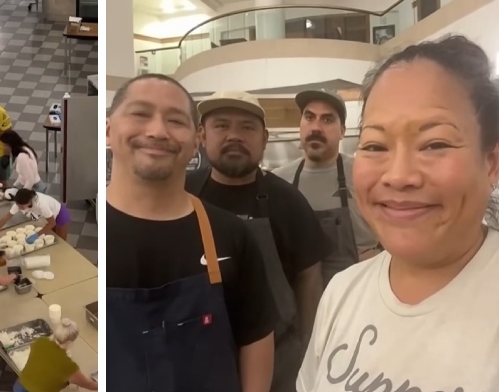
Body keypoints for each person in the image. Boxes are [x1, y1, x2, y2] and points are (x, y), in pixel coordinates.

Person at [297, 36, 499, 391]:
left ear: (492, 163)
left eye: (435, 144)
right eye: (375, 146)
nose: (399, 176)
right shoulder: (341, 293)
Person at [107, 73, 276, 392]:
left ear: (196, 139)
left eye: (175, 120)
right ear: (108, 129)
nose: (157, 131)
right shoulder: (89, 239)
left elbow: (255, 338)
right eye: (140, 114)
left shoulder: (230, 234)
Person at [185, 91, 332, 392]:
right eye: (221, 126)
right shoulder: (181, 193)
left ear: (264, 139)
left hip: (280, 360)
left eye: (247, 127)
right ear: (201, 135)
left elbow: (310, 281)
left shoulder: (288, 201)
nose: (234, 136)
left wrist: (311, 352)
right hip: (197, 355)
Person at [272, 89, 379, 286]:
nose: (316, 128)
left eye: (327, 120)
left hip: (356, 293)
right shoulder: (277, 181)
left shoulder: (365, 174)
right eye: (309, 117)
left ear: (342, 131)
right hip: (298, 300)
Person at [14, 318, 98, 392]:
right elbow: (88, 384)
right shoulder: (68, 366)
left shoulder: (40, 341)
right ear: (69, 342)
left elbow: (45, 363)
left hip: (19, 385)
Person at [0, 189, 70, 241]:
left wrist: (36, 235)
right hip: (48, 218)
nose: (20, 208)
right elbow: (5, 219)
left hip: (60, 214)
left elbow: (52, 223)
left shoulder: (40, 204)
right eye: (18, 205)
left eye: (22, 206)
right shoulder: (19, 204)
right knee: (52, 236)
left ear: (29, 201)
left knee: (61, 241)